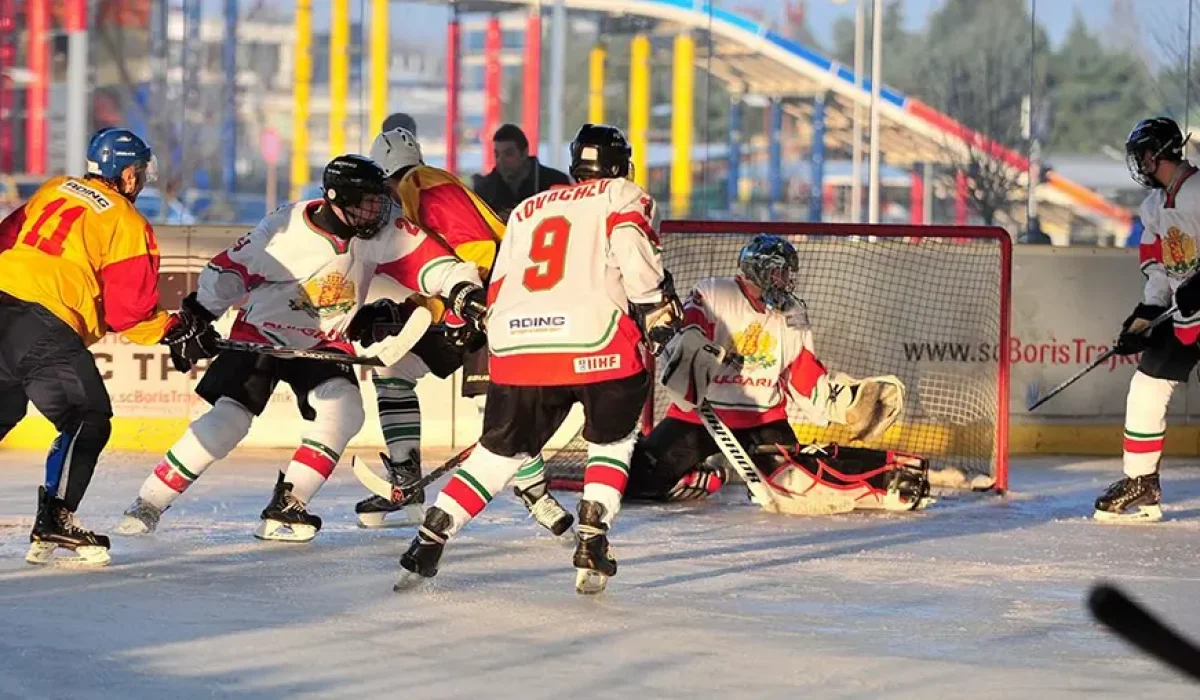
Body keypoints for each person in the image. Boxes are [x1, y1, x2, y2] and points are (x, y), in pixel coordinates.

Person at [114, 154, 487, 542]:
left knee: (344, 410)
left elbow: (437, 264)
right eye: (367, 203)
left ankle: (288, 504)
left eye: (379, 200)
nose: (377, 211)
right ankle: (148, 503)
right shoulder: (284, 230)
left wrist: (464, 291)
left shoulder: (380, 230)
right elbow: (226, 273)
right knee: (230, 420)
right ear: (335, 200)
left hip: (324, 338)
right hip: (263, 331)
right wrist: (196, 318)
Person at [395, 124, 680, 595]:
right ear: (619, 165)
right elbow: (630, 245)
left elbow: (504, 279)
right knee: (612, 438)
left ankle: (430, 537)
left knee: (497, 454)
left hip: (518, 342)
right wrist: (654, 307)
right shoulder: (623, 194)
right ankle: (591, 537)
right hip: (596, 338)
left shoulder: (529, 206)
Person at [0, 127, 215, 566]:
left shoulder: (54, 188)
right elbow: (126, 314)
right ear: (128, 175)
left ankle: (53, 518)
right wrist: (174, 328)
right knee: (87, 419)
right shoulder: (125, 220)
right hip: (43, 322)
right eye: (138, 173)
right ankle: (56, 518)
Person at [353, 127, 574, 536]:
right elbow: (444, 268)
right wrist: (413, 308)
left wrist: (446, 308)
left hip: (495, 302)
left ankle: (535, 490)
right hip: (470, 303)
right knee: (393, 370)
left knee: (494, 403)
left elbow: (479, 252)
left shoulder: (425, 184)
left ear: (387, 174)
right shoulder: (413, 194)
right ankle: (406, 483)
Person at [623, 234, 929, 514]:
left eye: (787, 274)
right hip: (701, 417)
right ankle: (707, 476)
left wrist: (846, 403)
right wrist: (692, 353)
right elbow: (690, 332)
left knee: (797, 486)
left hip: (763, 419)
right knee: (637, 483)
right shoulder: (715, 293)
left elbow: (802, 373)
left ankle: (892, 474)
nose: (785, 281)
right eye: (778, 272)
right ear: (757, 270)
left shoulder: (791, 313)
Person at [1100, 117, 1200, 522]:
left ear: (1157, 152)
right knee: (1147, 383)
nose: (1138, 163)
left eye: (1141, 154)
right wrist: (1145, 315)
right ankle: (1142, 482)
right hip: (1183, 313)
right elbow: (1160, 269)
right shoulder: (1154, 206)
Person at [472, 123, 571, 222]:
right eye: (497, 154)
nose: (500, 161)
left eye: (508, 154)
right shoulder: (485, 189)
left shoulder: (555, 183)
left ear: (524, 153)